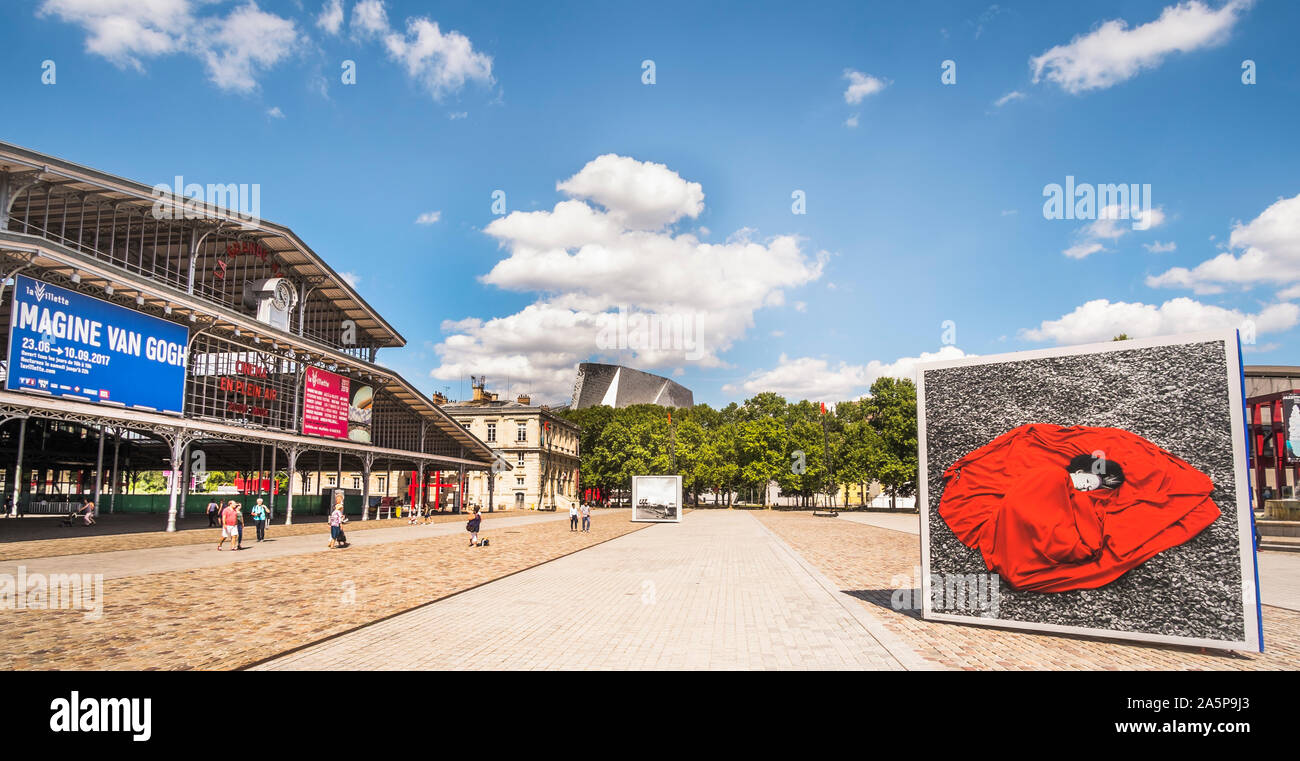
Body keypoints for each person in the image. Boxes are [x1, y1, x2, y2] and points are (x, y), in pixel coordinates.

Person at [938, 423, 1219, 593]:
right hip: (1026, 511)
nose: (1084, 489)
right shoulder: (1051, 475)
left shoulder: (1083, 499)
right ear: (1078, 469)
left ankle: (1018, 552)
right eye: (1085, 480)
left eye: (1090, 486)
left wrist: (1082, 498)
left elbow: (1086, 542)